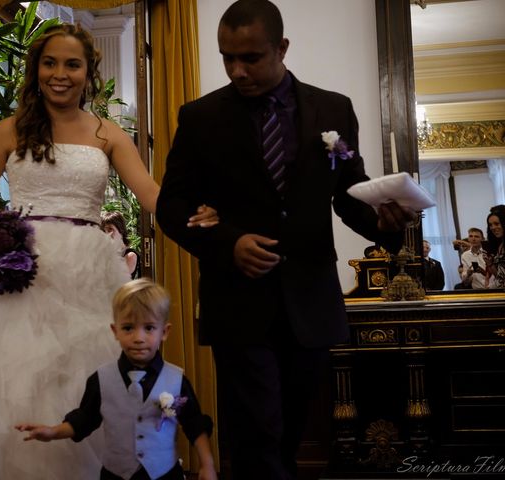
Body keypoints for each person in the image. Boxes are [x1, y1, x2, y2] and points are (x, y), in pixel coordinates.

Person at [0, 23, 217, 480]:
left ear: (89, 73)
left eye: (72, 64)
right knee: (15, 375)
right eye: (50, 63)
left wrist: (194, 214)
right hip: (23, 271)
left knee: (92, 370)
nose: (59, 73)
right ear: (36, 70)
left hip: (89, 271)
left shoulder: (108, 134)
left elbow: (151, 194)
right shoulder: (8, 132)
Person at [154, 1, 416, 478]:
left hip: (310, 301)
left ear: (282, 48)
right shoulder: (200, 117)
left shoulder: (334, 109)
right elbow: (171, 207)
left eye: (250, 58)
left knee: (290, 431)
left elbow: (347, 193)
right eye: (226, 57)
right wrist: (228, 243)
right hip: (238, 303)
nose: (237, 70)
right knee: (258, 436)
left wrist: (382, 224)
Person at [15, 278, 218, 480]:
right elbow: (84, 419)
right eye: (128, 328)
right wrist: (52, 432)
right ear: (115, 331)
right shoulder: (101, 379)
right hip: (115, 475)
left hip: (164, 475)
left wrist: (207, 464)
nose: (138, 338)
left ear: (164, 332)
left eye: (149, 328)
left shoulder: (176, 380)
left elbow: (194, 424)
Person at [102, 210, 141, 279]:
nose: (106, 234)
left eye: (110, 229)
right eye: (104, 231)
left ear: (121, 230)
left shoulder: (130, 255)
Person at [484, 207, 505, 288]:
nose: (493, 227)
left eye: (496, 224)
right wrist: (490, 264)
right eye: (490, 225)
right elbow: (500, 277)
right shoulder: (499, 245)